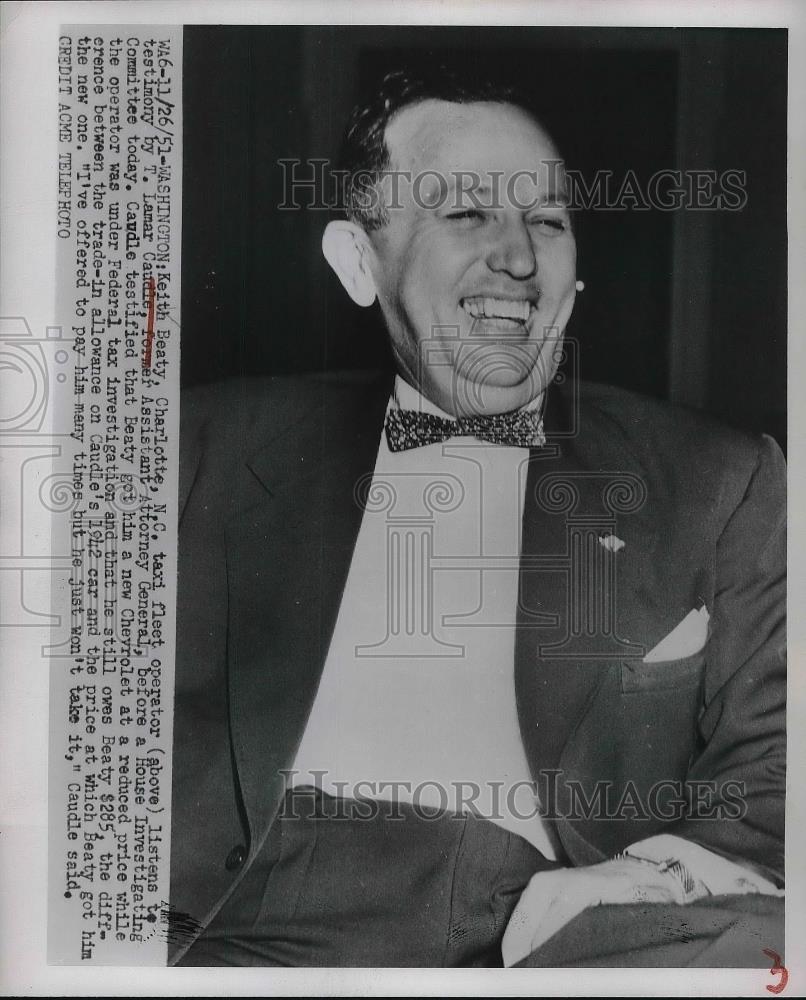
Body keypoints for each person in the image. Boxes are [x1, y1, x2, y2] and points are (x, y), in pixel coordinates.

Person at [169, 68, 785, 967]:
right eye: (466, 214)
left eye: (547, 219)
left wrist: (657, 881)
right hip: (227, 926)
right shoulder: (194, 448)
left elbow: (778, 768)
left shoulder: (722, 481)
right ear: (357, 260)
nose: (520, 258)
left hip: (555, 934)